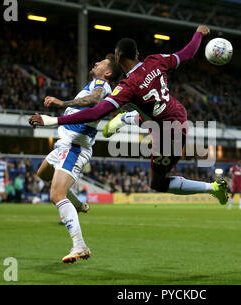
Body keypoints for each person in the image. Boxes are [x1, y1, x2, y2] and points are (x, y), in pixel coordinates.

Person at [29, 25, 229, 205]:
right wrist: (199, 34)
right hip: (176, 111)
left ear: (117, 58)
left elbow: (95, 112)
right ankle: (127, 118)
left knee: (157, 183)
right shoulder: (155, 60)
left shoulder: (127, 86)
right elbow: (187, 53)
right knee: (149, 113)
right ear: (138, 54)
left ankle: (213, 188)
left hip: (168, 133)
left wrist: (54, 120)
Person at [34, 54, 122, 263]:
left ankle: (80, 245)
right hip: (65, 143)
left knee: (56, 194)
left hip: (75, 146)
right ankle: (79, 205)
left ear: (107, 72)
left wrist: (61, 102)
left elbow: (95, 99)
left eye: (101, 63)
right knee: (43, 173)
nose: (96, 63)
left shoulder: (101, 84)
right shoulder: (94, 82)